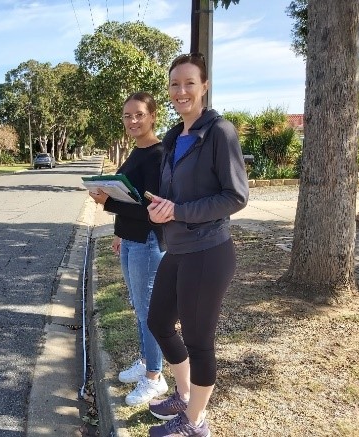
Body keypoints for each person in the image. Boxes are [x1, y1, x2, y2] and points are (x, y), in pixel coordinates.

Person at [145, 53, 249, 437]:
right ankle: (185, 396)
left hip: (209, 250)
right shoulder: (175, 137)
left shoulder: (219, 132)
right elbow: (173, 198)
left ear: (204, 86)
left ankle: (196, 422)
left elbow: (235, 196)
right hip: (179, 249)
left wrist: (179, 210)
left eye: (189, 83)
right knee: (158, 322)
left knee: (198, 339)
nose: (181, 91)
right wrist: (159, 209)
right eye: (175, 84)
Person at [90, 91, 167, 406]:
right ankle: (146, 362)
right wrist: (120, 232)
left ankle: (155, 377)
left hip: (148, 242)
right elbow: (131, 197)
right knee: (139, 306)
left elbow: (154, 209)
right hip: (130, 239)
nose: (133, 121)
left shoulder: (158, 154)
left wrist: (107, 202)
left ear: (152, 116)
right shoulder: (137, 151)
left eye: (139, 114)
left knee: (149, 312)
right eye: (127, 116)